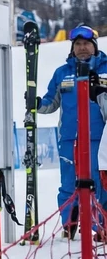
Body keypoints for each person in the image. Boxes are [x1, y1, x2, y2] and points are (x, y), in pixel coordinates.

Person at [37, 24, 107, 239]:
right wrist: (37, 104)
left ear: (94, 46)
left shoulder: (105, 69)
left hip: (98, 138)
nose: (82, 48)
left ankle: (101, 227)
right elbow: (51, 102)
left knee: (99, 183)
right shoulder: (62, 72)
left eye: (86, 43)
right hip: (70, 138)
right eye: (77, 44)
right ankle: (69, 223)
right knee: (68, 183)